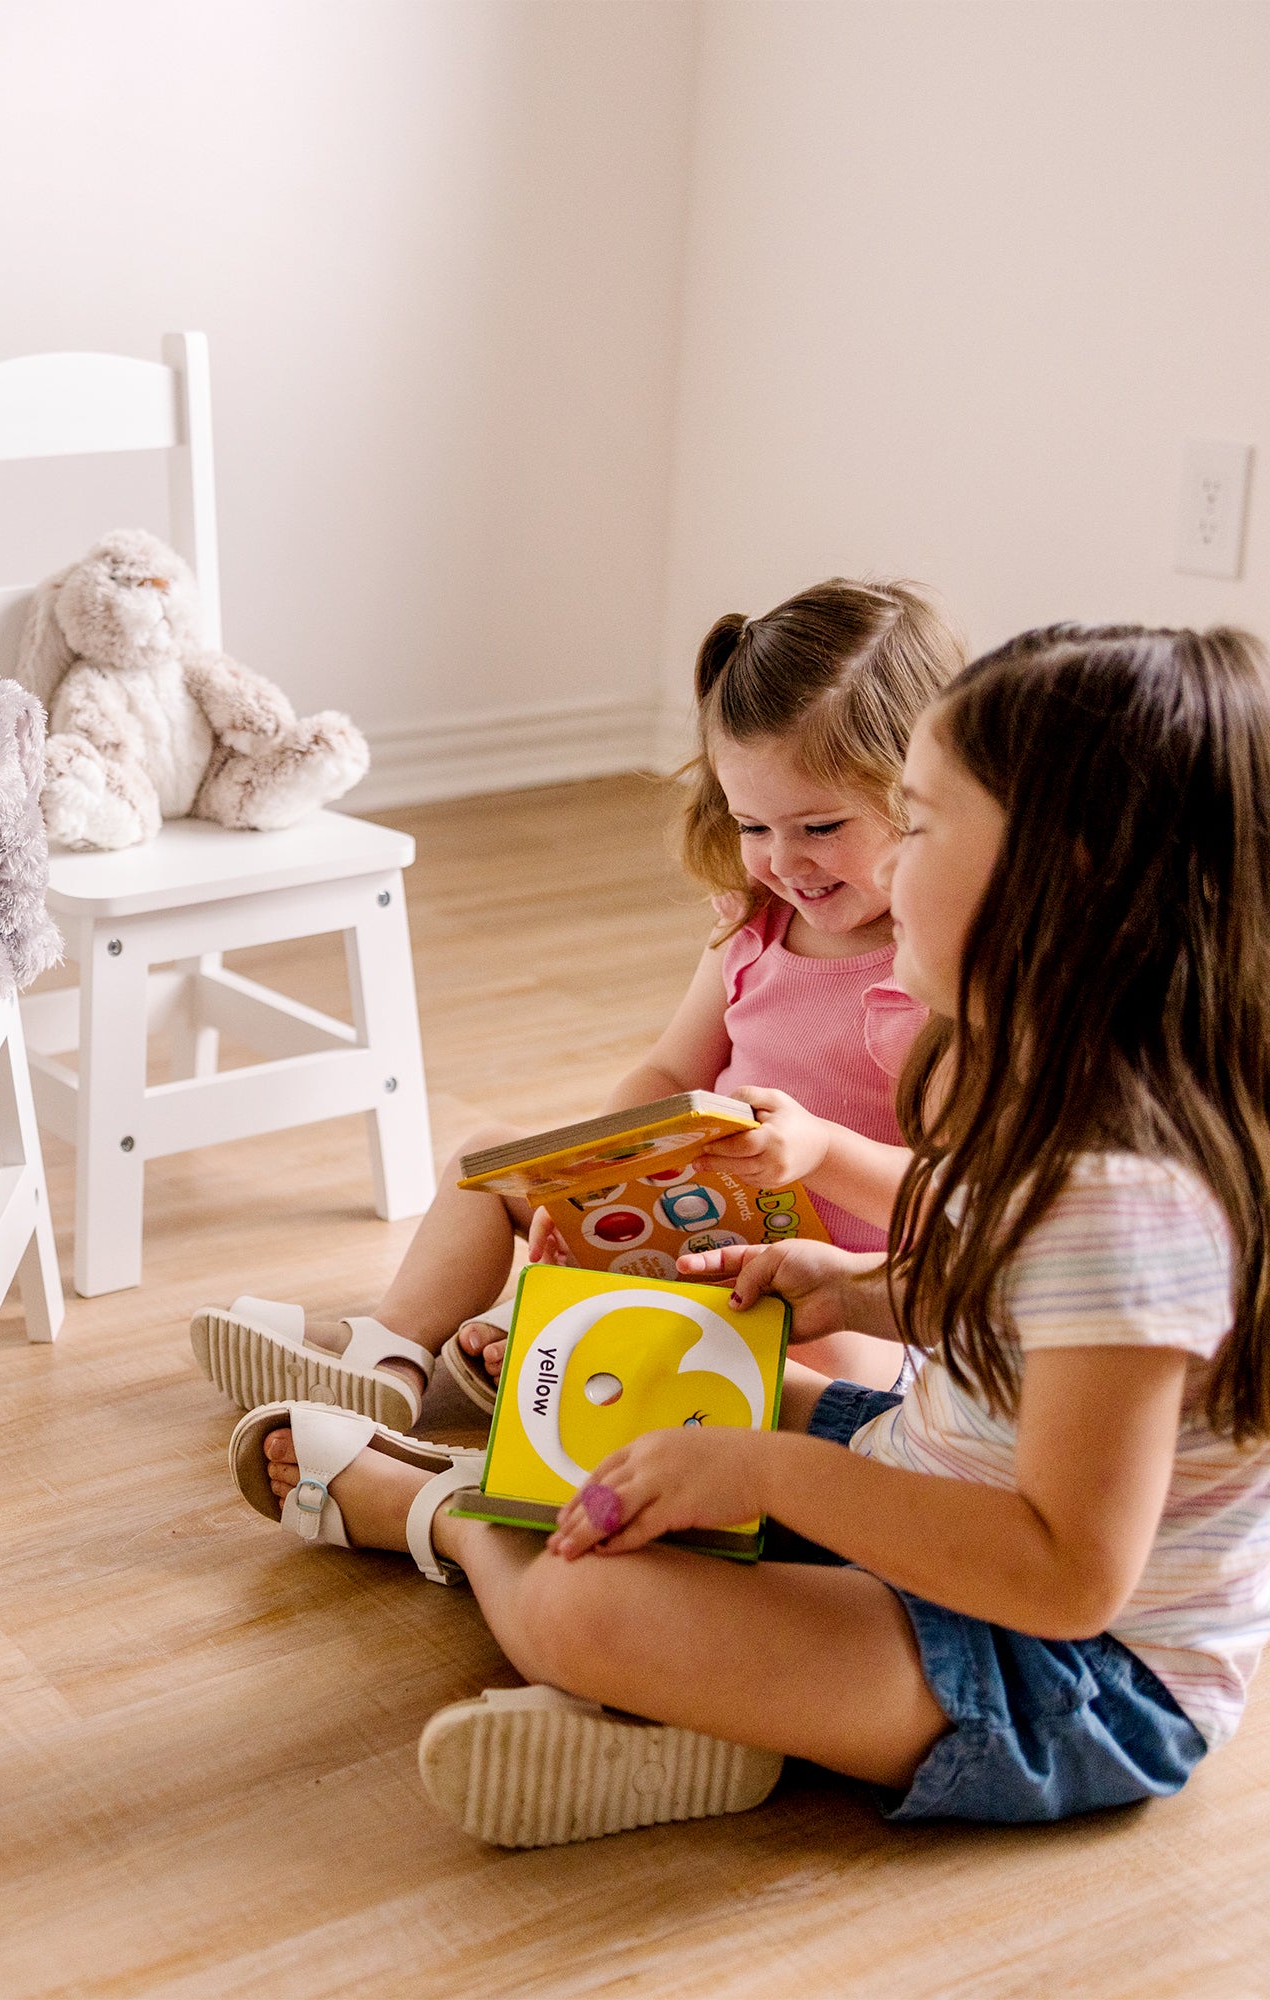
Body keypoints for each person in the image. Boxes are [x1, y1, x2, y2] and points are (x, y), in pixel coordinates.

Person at [235, 623, 1270, 1841]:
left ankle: (453, 1513)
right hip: (929, 1477)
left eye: (921, 822)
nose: (885, 861)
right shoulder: (1042, 1090)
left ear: (1062, 877)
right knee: (636, 1377)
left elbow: (1061, 1570)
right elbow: (1011, 1303)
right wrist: (855, 1290)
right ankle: (689, 1695)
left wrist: (765, 1470)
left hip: (1068, 1671)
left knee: (588, 1608)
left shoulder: (1128, 1196)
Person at [190, 578, 962, 1424]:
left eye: (819, 829)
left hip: (846, 1297)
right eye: (753, 827)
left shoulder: (940, 977)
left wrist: (819, 1152)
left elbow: (957, 1202)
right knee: (484, 1162)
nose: (783, 861)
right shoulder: (756, 929)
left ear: (919, 797)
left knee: (795, 1349)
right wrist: (590, 1175)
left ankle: (544, 1355)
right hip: (697, 1229)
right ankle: (395, 1349)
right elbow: (671, 1065)